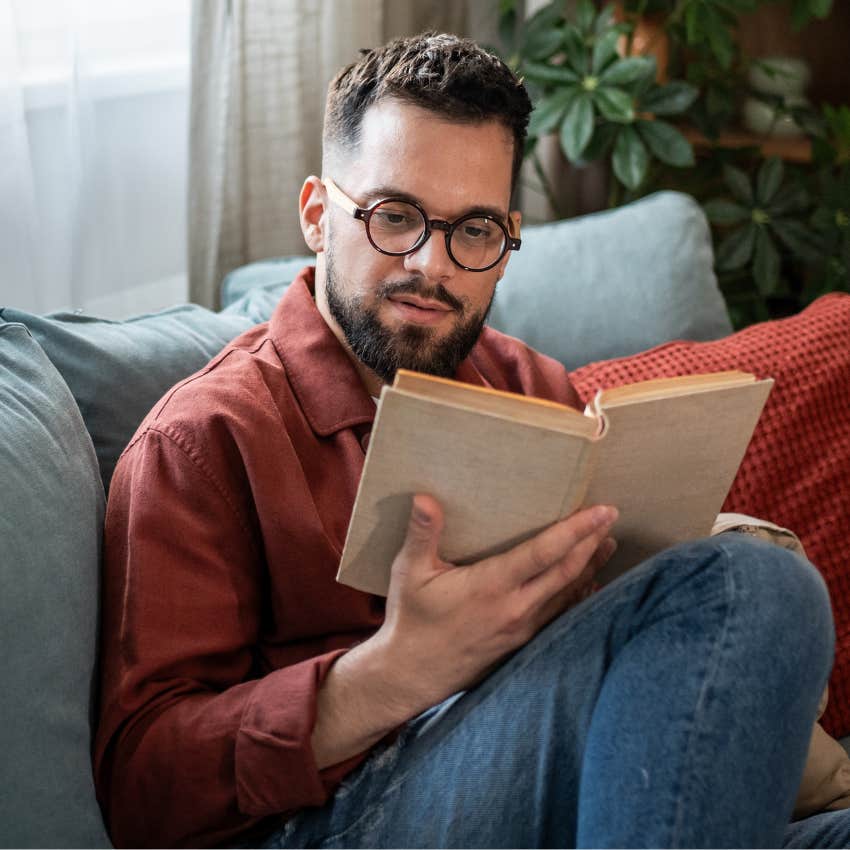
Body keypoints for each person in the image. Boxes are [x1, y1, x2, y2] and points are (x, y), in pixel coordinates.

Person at [94, 32, 850, 848]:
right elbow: (141, 787)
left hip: (565, 795)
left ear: (507, 239)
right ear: (318, 215)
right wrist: (391, 673)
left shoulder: (531, 388)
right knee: (746, 587)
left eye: (476, 231)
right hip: (334, 822)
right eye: (394, 217)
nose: (434, 265)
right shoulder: (203, 440)